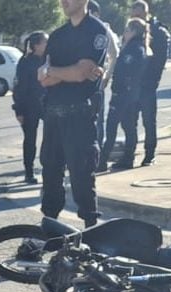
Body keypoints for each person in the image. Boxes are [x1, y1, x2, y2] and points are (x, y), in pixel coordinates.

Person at [38, 0, 111, 228]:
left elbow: (81, 74)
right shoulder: (58, 35)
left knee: (81, 175)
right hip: (53, 115)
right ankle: (49, 226)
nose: (64, 2)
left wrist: (56, 71)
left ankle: (91, 229)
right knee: (50, 173)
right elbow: (43, 79)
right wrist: (64, 72)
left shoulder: (96, 31)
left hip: (79, 115)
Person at [99, 18, 150, 171]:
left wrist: (120, 88)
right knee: (128, 127)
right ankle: (127, 158)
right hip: (128, 93)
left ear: (134, 32)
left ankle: (103, 161)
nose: (124, 33)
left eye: (127, 30)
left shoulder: (135, 49)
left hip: (124, 94)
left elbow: (128, 72)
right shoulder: (133, 47)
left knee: (113, 127)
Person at [131, 0, 170, 166]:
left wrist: (153, 81)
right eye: (134, 15)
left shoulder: (158, 32)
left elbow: (159, 61)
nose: (136, 18)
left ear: (146, 14)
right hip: (132, 86)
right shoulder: (132, 30)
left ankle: (150, 154)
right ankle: (128, 154)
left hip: (148, 84)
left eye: (139, 14)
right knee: (129, 121)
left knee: (149, 121)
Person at [13, 32, 48, 184]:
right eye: (45, 42)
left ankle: (49, 167)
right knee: (30, 139)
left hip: (47, 104)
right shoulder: (26, 61)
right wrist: (19, 110)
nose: (48, 45)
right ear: (36, 45)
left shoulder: (48, 59)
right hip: (29, 105)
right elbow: (19, 87)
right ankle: (29, 171)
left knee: (51, 137)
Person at [87, 1, 118, 152]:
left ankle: (97, 156)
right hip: (77, 81)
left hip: (97, 82)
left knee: (97, 120)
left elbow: (114, 54)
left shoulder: (103, 29)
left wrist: (107, 76)